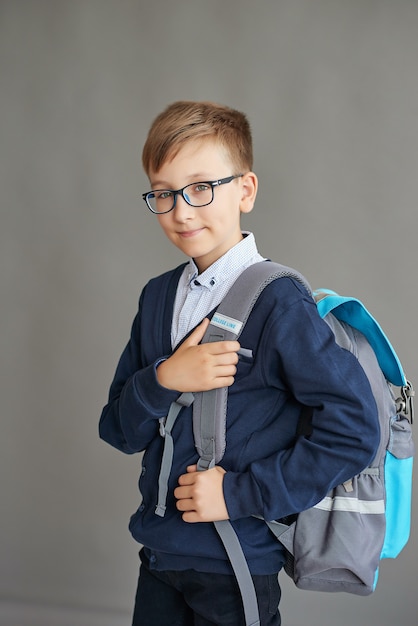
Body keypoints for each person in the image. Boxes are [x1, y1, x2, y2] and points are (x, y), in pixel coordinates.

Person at [99, 100, 379, 626]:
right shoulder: (157, 297)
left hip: (235, 562)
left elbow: (355, 430)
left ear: (245, 190)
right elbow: (119, 429)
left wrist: (238, 493)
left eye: (201, 188)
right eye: (163, 192)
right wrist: (163, 379)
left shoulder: (280, 303)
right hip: (158, 556)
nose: (181, 210)